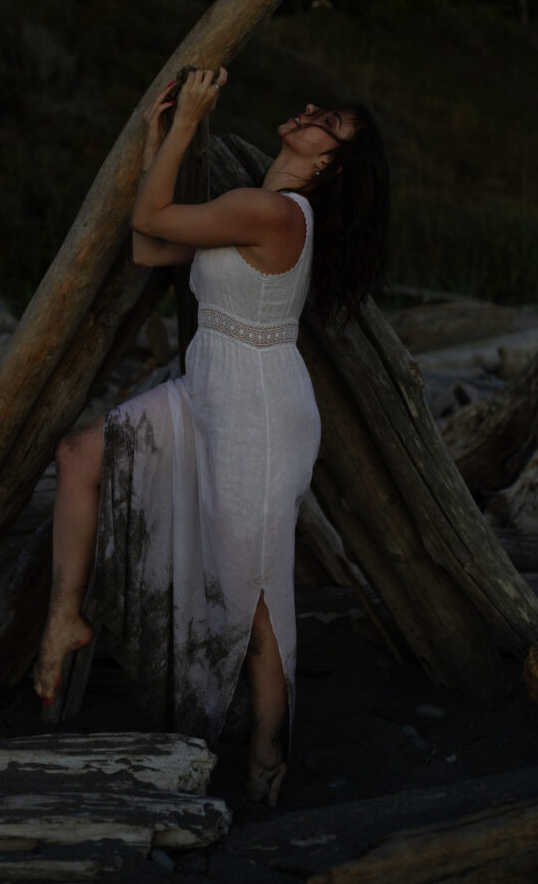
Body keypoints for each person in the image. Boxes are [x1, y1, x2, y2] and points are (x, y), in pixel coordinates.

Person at [34, 68, 390, 806]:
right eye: (316, 106)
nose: (307, 112)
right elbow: (146, 245)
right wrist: (157, 140)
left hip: (257, 412)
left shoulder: (275, 212)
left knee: (252, 595)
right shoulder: (247, 211)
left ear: (329, 164)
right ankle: (66, 618)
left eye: (326, 122)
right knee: (79, 455)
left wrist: (190, 118)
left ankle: (266, 753)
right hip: (207, 392)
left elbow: (158, 218)